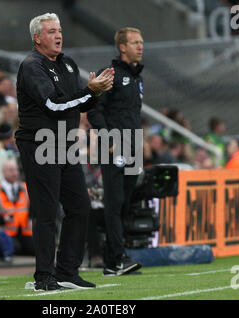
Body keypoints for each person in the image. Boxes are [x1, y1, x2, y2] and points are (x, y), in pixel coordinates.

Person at [15, 13, 114, 291]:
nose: (58, 36)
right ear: (37, 38)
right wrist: (89, 92)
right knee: (47, 211)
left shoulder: (68, 64)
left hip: (66, 144)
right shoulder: (32, 66)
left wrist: (95, 93)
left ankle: (67, 271)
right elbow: (53, 105)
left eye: (59, 30)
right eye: (50, 32)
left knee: (80, 207)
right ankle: (44, 277)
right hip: (39, 144)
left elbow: (77, 105)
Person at [87, 27, 144, 276]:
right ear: (122, 47)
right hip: (115, 147)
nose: (140, 46)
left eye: (141, 42)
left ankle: (114, 261)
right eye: (135, 43)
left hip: (133, 147)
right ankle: (116, 259)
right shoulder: (109, 74)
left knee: (125, 204)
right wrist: (109, 139)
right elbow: (94, 110)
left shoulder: (136, 77)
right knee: (114, 202)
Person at [0, 159, 34, 260]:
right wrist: (2, 219)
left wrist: (31, 218)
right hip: (5, 233)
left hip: (24, 232)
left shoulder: (25, 188)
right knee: (12, 249)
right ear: (4, 172)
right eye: (11, 170)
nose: (15, 173)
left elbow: (33, 207)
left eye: (16, 170)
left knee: (36, 250)